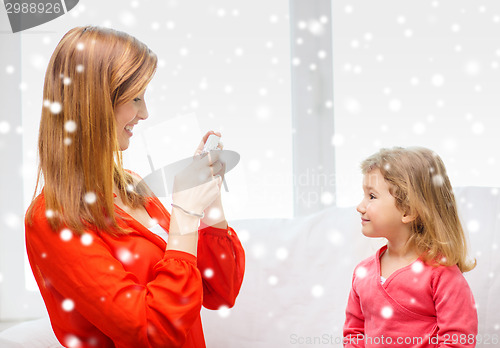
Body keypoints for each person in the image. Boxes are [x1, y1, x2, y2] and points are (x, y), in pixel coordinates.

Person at [25, 26, 245, 348]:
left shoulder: (129, 186)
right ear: (95, 103)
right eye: (136, 98)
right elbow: (152, 333)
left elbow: (220, 291)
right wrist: (183, 214)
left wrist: (207, 197)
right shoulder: (53, 219)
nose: (145, 113)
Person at [343, 147, 477, 347]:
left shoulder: (441, 274)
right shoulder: (362, 272)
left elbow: (458, 339)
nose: (360, 206)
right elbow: (353, 333)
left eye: (371, 196)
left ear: (408, 210)